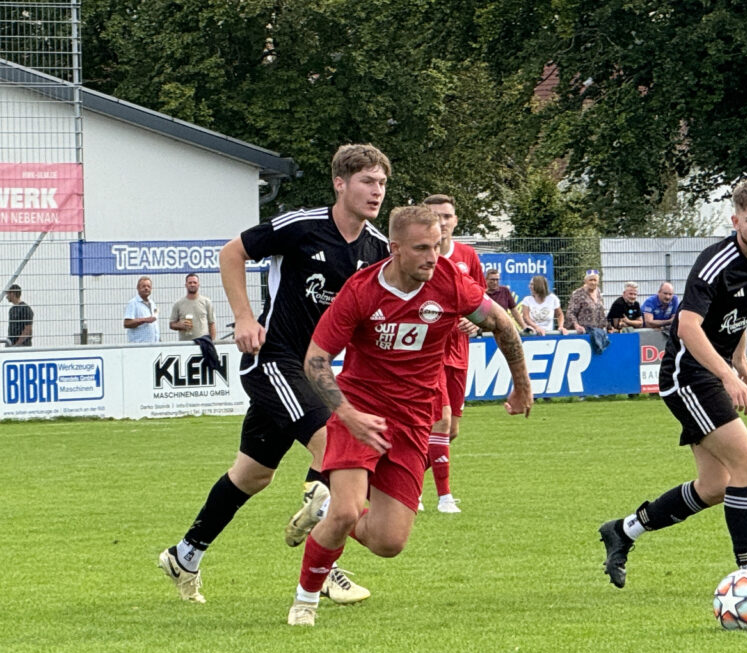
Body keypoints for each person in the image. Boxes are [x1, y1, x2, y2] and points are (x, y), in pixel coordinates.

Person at [158, 143, 392, 606]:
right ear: (340, 183)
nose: (377, 191)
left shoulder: (378, 248)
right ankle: (325, 568)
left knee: (252, 475)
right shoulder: (302, 226)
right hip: (273, 360)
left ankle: (185, 555)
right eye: (367, 181)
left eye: (382, 183)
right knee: (336, 444)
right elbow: (232, 253)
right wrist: (245, 318)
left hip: (316, 372)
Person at [288, 205, 533, 626]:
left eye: (437, 246)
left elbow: (502, 324)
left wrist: (522, 385)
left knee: (389, 543)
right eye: (421, 248)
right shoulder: (361, 290)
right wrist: (347, 413)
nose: (432, 256)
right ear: (395, 248)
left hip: (413, 421)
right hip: (359, 410)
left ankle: (322, 509)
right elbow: (316, 359)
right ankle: (304, 602)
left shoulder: (450, 282)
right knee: (348, 510)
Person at [598, 178, 747, 596]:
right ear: (735, 221)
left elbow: (740, 311)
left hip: (710, 373)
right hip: (687, 376)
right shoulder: (715, 263)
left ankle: (623, 530)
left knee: (714, 487)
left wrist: (740, 360)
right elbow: (687, 327)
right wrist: (727, 375)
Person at [421, 193, 486, 514]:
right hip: (428, 351)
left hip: (459, 351)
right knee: (440, 422)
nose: (441, 221)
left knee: (451, 430)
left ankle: (395, 479)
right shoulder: (417, 256)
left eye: (446, 216)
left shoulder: (467, 256)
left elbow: (481, 300)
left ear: (455, 220)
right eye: (434, 215)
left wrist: (475, 323)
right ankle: (444, 497)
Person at [169, 272, 217, 340]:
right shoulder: (178, 304)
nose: (192, 285)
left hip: (203, 342)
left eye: (195, 282)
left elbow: (211, 324)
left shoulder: (206, 302)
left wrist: (212, 342)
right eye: (190, 283)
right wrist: (180, 325)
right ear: (186, 285)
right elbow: (171, 324)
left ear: (198, 285)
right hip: (185, 343)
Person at [123, 276, 160, 343]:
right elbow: (127, 323)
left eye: (149, 286)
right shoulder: (133, 303)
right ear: (138, 288)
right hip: (139, 344)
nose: (146, 288)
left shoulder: (152, 303)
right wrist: (145, 320)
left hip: (153, 344)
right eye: (143, 286)